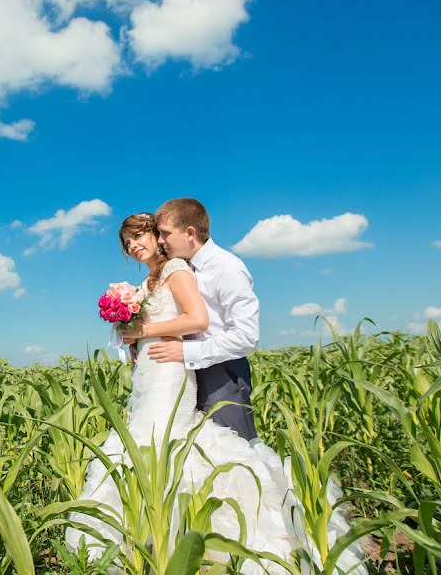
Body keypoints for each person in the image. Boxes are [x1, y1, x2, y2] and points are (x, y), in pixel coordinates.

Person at [65, 212, 367, 574]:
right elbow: (146, 330)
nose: (134, 245)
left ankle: (210, 535)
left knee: (166, 442)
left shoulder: (177, 268)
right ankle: (150, 541)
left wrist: (144, 330)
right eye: (127, 241)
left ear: (160, 238)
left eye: (141, 236)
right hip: (148, 374)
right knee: (145, 439)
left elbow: (198, 319)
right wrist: (131, 338)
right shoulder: (146, 283)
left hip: (172, 371)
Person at [124, 197, 259, 439]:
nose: (161, 240)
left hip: (221, 371)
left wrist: (186, 351)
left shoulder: (227, 267)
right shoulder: (177, 266)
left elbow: (247, 337)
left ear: (189, 232)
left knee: (233, 450)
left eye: (164, 234)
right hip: (180, 370)